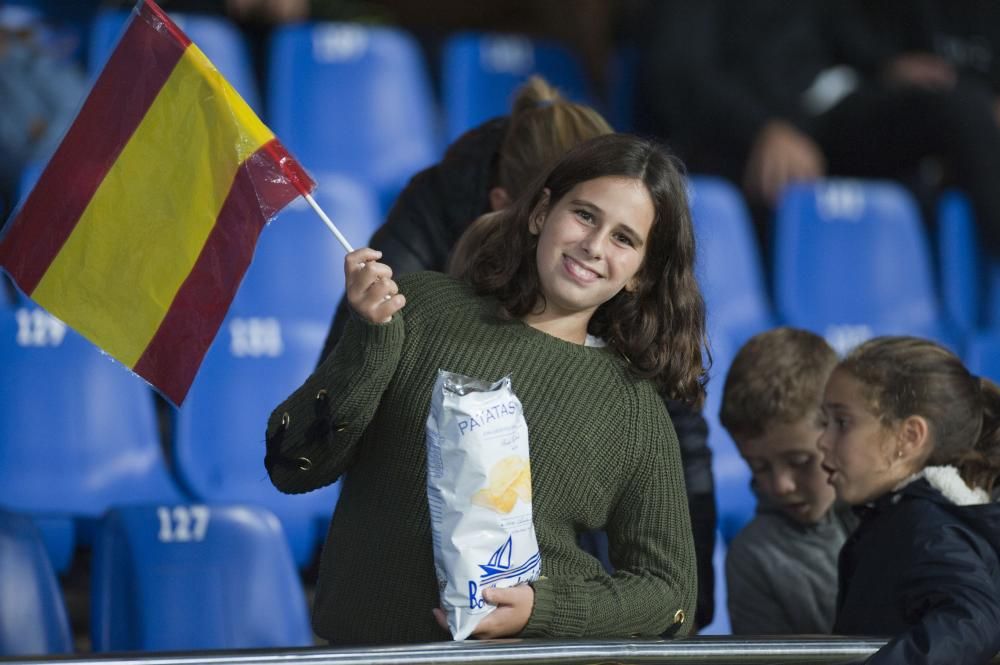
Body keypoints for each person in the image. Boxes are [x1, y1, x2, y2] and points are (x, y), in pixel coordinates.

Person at [265, 133, 705, 644]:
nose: (594, 245)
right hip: (358, 655)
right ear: (541, 212)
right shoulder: (419, 307)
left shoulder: (633, 409)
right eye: (584, 215)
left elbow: (671, 594)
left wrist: (544, 609)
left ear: (640, 276)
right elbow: (290, 466)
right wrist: (366, 339)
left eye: (623, 239)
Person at [636, 0, 1000, 254]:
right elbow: (679, 71)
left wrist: (887, 68)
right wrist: (762, 129)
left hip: (833, 116)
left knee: (962, 107)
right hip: (749, 131)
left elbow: (845, 41)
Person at [818, 336, 1000, 664]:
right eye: (824, 423)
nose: (823, 441)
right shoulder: (906, 518)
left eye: (842, 423)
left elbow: (972, 620)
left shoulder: (923, 525)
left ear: (909, 438)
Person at [719, 327, 854, 634]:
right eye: (758, 467)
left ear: (840, 428)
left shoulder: (906, 509)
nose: (780, 486)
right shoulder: (753, 558)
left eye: (799, 462)